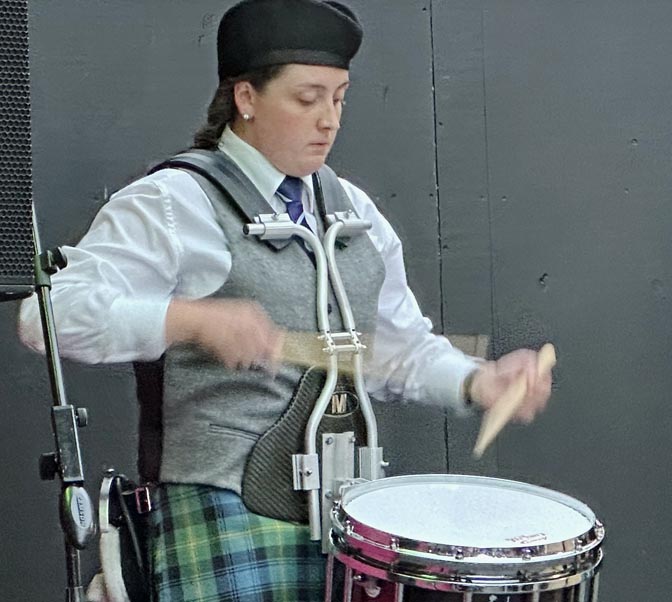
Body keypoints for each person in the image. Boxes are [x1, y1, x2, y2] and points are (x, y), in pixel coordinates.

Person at [18, 0, 553, 600]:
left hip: (350, 529)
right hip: (220, 522)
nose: (330, 120)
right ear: (246, 97)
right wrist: (186, 319)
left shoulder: (356, 212)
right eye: (307, 98)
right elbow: (47, 314)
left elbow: (398, 353)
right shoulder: (173, 202)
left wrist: (478, 383)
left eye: (340, 97)